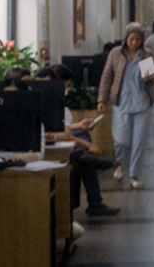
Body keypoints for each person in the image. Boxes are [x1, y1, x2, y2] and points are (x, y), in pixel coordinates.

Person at [34, 66, 121, 219]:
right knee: (81, 152)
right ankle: (90, 163)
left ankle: (87, 158)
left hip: (53, 143)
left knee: (81, 133)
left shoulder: (60, 108)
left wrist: (76, 126)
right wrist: (88, 145)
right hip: (42, 146)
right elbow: (65, 135)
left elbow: (63, 132)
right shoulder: (32, 105)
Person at [98, 22, 154, 190]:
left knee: (139, 142)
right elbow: (106, 76)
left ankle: (134, 175)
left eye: (138, 39)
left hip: (142, 103)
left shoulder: (146, 55)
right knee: (121, 140)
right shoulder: (116, 53)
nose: (134, 43)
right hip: (121, 103)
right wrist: (101, 99)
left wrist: (150, 77)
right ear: (126, 38)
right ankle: (119, 164)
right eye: (132, 39)